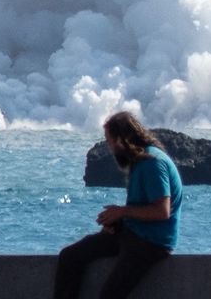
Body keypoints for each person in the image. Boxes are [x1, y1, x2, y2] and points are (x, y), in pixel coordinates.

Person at [52, 110, 184, 299]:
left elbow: (162, 211)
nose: (110, 147)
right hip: (134, 232)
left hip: (152, 243)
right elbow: (141, 207)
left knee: (110, 295)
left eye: (110, 141)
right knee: (70, 257)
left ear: (122, 140)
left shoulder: (152, 164)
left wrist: (122, 212)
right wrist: (119, 221)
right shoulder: (139, 161)